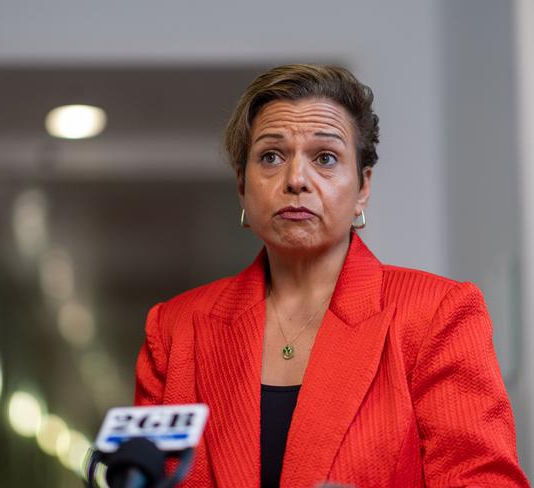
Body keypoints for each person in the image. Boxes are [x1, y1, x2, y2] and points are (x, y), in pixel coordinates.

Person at [134, 64, 529, 487]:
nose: (296, 180)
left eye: (325, 158)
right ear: (241, 186)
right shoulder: (176, 330)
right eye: (271, 156)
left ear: (362, 187)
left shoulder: (436, 314)